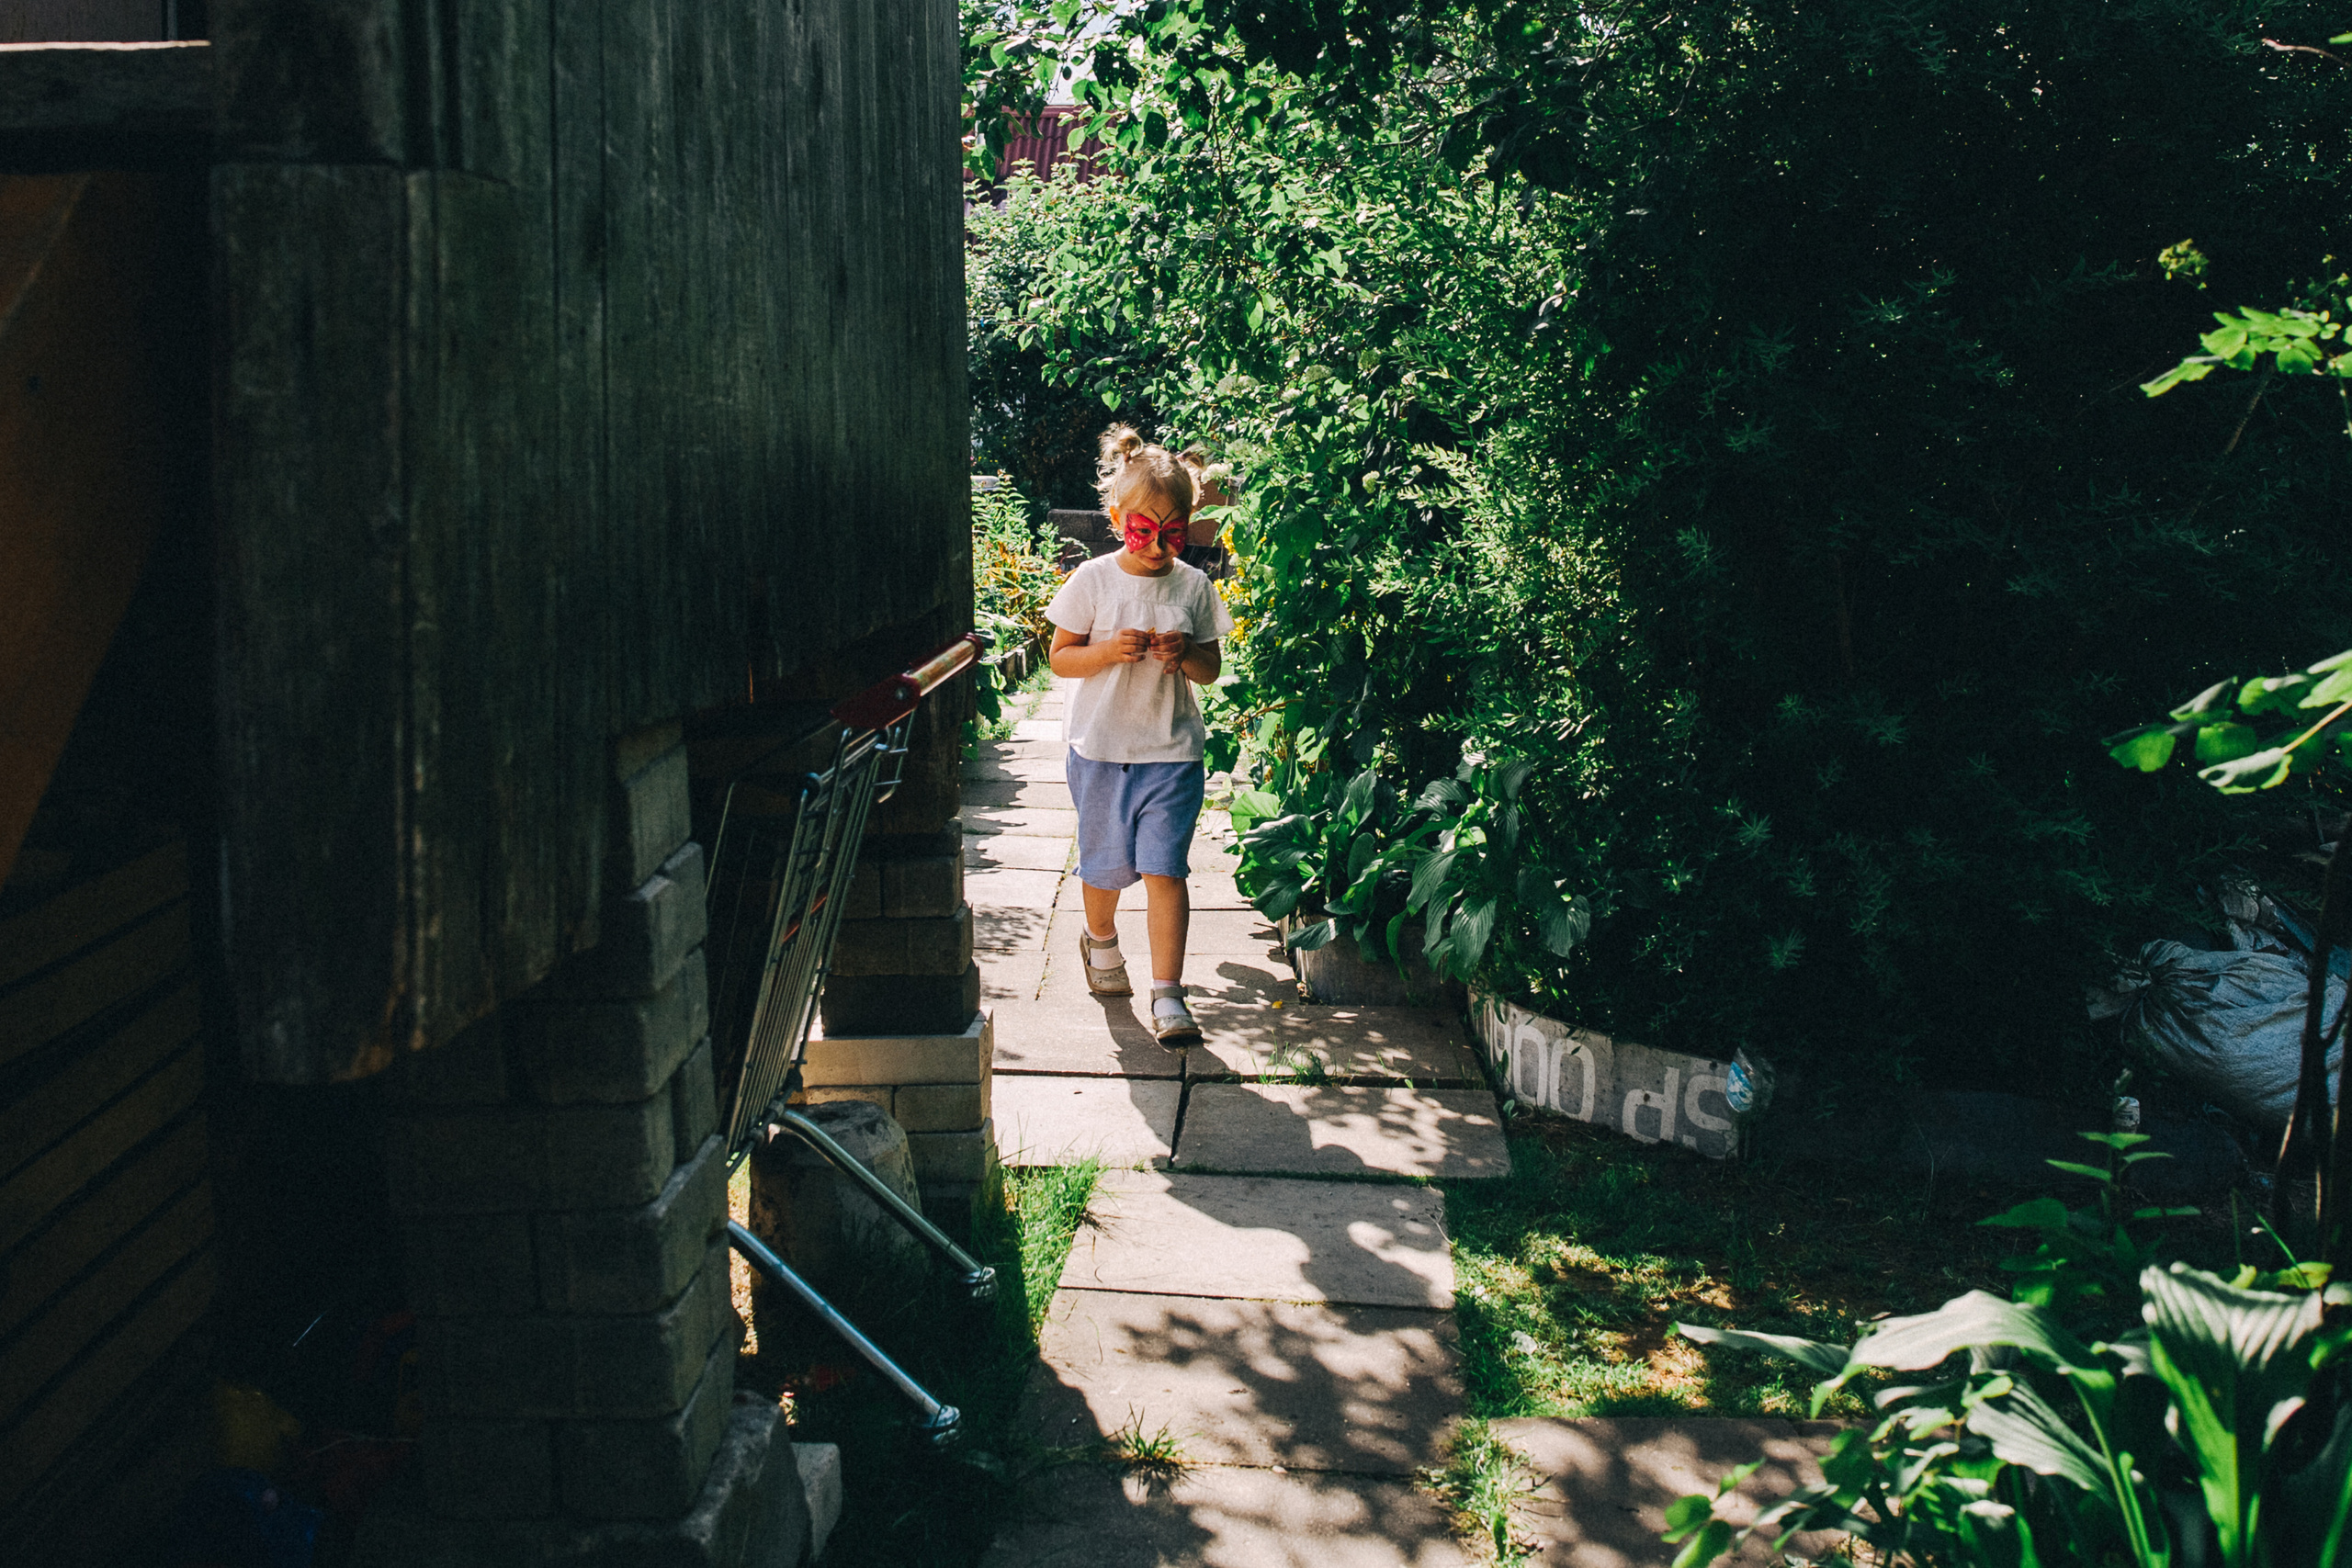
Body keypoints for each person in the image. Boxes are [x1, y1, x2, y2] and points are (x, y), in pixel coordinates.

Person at [1045, 425, 1236, 1045]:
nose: (1157, 547)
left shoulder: (1193, 586)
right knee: (1104, 869)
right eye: (1142, 530)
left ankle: (1169, 993)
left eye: (1172, 532)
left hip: (1171, 751)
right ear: (1116, 516)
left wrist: (1186, 655)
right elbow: (1060, 658)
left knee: (1164, 870)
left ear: (1189, 523)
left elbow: (1212, 668)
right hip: (1101, 751)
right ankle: (1099, 939)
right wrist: (1103, 652)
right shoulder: (1094, 580)